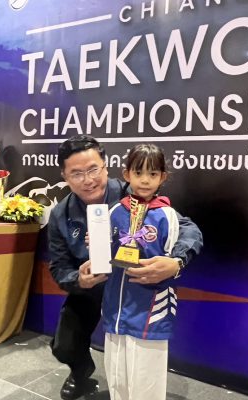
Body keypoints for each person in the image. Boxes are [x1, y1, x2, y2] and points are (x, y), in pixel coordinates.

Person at [48, 135, 202, 400]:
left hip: (133, 285)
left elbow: (189, 230)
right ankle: (81, 373)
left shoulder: (134, 192)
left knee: (137, 355)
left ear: (106, 167)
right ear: (64, 176)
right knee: (64, 345)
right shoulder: (60, 214)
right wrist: (79, 279)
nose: (88, 180)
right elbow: (59, 267)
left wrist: (176, 262)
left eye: (93, 169)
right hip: (92, 288)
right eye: (77, 174)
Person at [102, 143, 198, 400]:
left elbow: (178, 251)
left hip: (150, 309)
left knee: (147, 381)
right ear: (126, 174)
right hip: (116, 308)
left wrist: (176, 263)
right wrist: (97, 245)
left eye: (153, 174)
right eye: (138, 172)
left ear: (163, 177)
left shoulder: (168, 215)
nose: (145, 180)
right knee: (117, 377)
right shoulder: (115, 211)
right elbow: (106, 254)